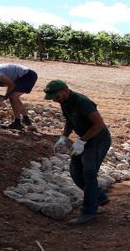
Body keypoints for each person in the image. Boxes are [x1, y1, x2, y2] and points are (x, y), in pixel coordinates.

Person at [44, 80, 112, 225]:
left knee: (89, 172)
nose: (56, 101)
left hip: (98, 139)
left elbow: (99, 124)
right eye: (53, 99)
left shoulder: (82, 102)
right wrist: (63, 137)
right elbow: (70, 121)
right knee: (75, 172)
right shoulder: (65, 102)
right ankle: (98, 197)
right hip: (85, 139)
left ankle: (89, 212)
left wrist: (81, 142)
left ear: (65, 91)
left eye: (57, 97)